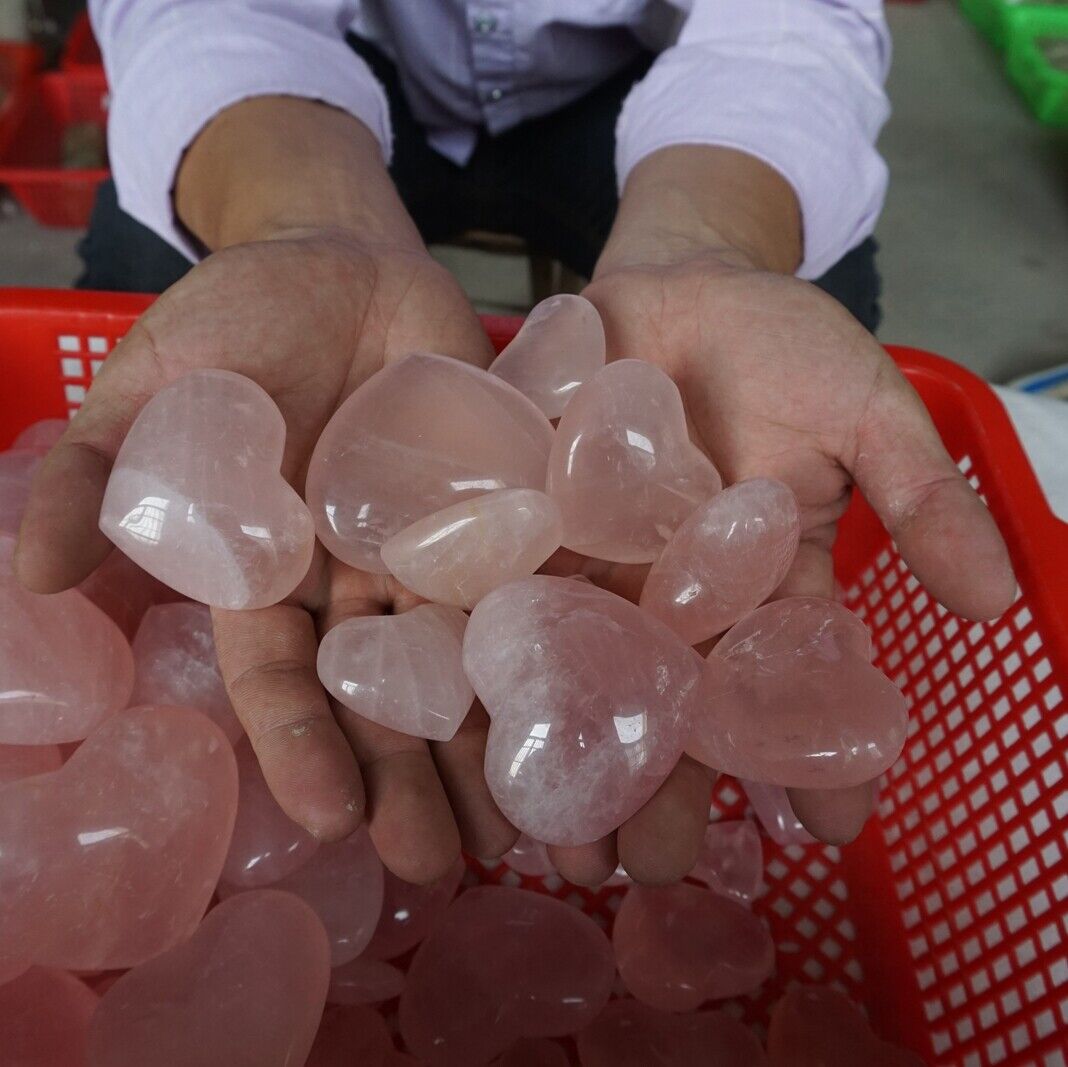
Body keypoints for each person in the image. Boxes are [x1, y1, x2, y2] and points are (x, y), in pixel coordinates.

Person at [16, 1, 1015, 888]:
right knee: (140, 274)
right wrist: (294, 217)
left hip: (655, 89)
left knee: (814, 313)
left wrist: (714, 237)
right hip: (320, 84)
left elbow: (790, 23)